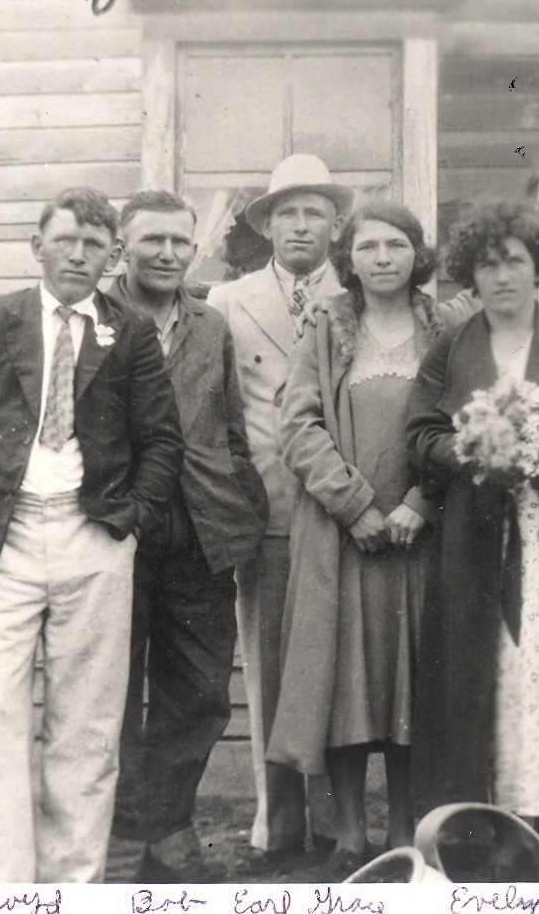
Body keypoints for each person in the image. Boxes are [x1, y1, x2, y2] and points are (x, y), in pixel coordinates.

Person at [0, 186, 184, 882]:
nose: (78, 254)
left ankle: (75, 883)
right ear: (36, 244)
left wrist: (126, 525)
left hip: (90, 537)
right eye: (65, 239)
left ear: (112, 256)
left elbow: (162, 441)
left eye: (94, 245)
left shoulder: (127, 331)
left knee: (88, 727)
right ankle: (3, 885)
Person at [406, 201, 539, 855]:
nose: (502, 276)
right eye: (488, 264)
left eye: (516, 261)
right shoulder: (453, 345)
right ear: (472, 273)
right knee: (486, 665)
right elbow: (421, 431)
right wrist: (470, 449)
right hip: (476, 533)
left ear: (538, 267)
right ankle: (488, 811)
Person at [268, 199, 444, 881]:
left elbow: (470, 415)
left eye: (395, 245)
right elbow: (297, 425)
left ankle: (405, 825)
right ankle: (349, 830)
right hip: (343, 537)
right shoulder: (327, 325)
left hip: (421, 536)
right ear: (350, 258)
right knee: (345, 679)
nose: (381, 258)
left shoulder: (447, 324)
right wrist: (357, 505)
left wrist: (419, 503)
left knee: (408, 676)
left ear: (416, 253)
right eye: (367, 246)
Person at [104, 191, 269, 882]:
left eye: (181, 240)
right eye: (153, 240)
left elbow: (228, 424)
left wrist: (240, 500)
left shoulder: (208, 324)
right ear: (122, 244)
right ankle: (124, 831)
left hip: (199, 526)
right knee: (109, 689)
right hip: (115, 525)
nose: (169, 253)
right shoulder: (98, 315)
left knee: (199, 691)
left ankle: (166, 826)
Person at [206, 154, 346, 875]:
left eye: (314, 211)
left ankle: (336, 821)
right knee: (266, 664)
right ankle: (276, 820)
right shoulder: (230, 299)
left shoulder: (360, 293)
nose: (300, 225)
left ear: (335, 224)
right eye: (286, 212)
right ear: (265, 225)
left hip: (340, 508)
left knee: (329, 663)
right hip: (264, 506)